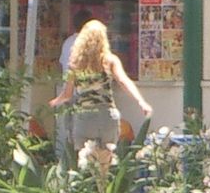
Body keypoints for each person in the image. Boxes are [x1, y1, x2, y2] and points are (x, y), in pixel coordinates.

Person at [49, 20, 152, 157]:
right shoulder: (110, 60)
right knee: (105, 160)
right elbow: (123, 81)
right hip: (106, 115)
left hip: (84, 117)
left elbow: (67, 94)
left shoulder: (74, 64)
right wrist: (141, 101)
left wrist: (55, 101)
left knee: (85, 160)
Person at [55, 10, 95, 160]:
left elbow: (62, 65)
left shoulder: (67, 42)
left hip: (68, 91)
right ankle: (83, 160)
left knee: (69, 130)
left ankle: (67, 159)